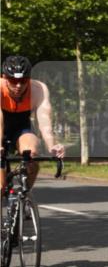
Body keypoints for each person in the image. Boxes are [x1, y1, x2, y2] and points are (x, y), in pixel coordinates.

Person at [0, 55, 65, 190]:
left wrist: (51, 145)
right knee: (0, 186)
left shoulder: (38, 89)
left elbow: (44, 120)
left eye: (23, 81)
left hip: (22, 126)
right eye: (13, 80)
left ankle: (24, 196)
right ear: (4, 77)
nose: (18, 85)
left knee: (32, 155)